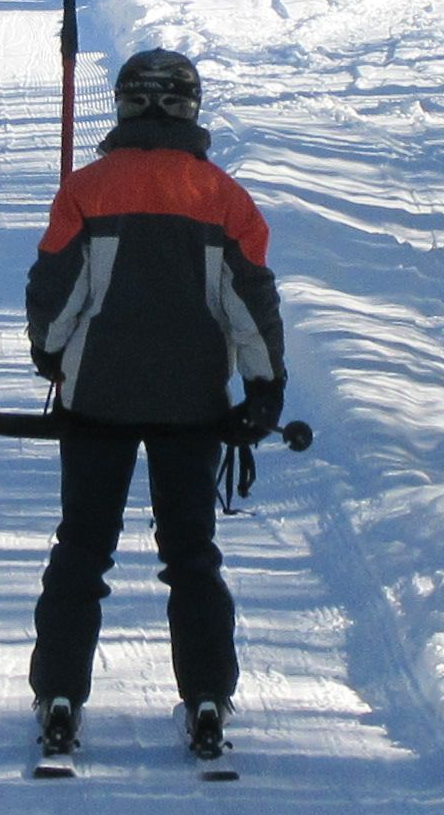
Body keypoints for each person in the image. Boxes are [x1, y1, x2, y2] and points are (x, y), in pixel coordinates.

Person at [23, 49, 286, 769]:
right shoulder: (226, 199)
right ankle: (206, 697)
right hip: (193, 405)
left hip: (96, 402)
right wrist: (264, 390)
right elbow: (250, 304)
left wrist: (52, 355)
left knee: (81, 550)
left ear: (121, 106)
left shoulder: (85, 189)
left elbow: (54, 295)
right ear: (191, 109)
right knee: (191, 555)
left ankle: (60, 697)